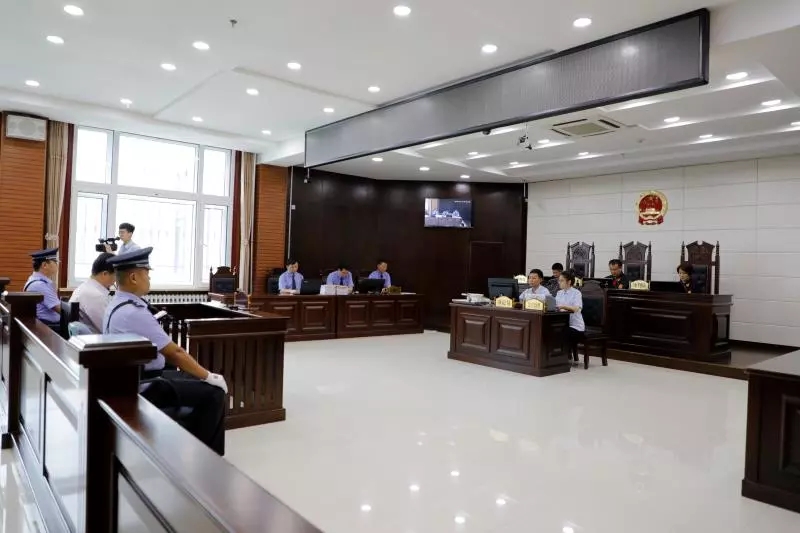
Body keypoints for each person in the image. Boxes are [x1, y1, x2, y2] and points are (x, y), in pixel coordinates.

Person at [103, 247, 228, 455]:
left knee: (192, 378)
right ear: (133, 277)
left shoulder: (116, 303)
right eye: (146, 273)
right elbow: (175, 353)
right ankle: (206, 457)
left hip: (131, 378)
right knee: (214, 393)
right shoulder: (134, 312)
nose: (149, 278)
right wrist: (209, 376)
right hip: (146, 385)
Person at [69, 252, 115, 333]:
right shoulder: (96, 295)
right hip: (95, 339)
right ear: (105, 274)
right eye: (115, 275)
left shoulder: (86, 286)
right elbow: (108, 330)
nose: (115, 280)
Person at [24, 248, 62, 329]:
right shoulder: (40, 285)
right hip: (48, 328)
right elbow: (60, 309)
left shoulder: (35, 280)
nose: (57, 265)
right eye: (55, 262)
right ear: (44, 265)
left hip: (46, 326)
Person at [556, 270, 585, 365]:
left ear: (569, 282)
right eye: (559, 280)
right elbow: (556, 306)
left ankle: (564, 357)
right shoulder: (559, 293)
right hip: (563, 323)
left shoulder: (576, 293)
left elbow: (577, 308)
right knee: (554, 330)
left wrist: (564, 307)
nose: (559, 282)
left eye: (561, 280)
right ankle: (554, 357)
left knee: (563, 331)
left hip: (575, 326)